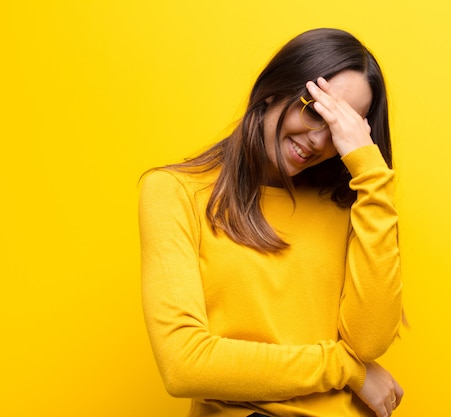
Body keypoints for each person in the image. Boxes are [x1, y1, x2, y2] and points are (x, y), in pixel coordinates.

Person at [139, 28, 404, 417]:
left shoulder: (354, 205)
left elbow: (368, 343)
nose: (319, 141)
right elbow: (185, 365)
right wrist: (348, 370)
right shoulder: (176, 192)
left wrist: (372, 175)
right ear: (273, 90)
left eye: (339, 127)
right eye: (316, 109)